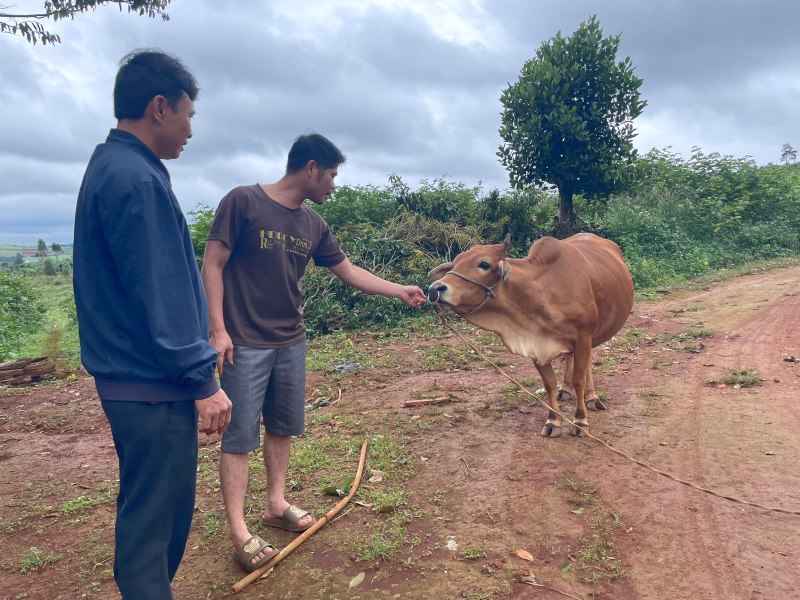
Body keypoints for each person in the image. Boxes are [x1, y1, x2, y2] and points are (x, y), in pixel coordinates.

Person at [201, 133, 426, 572]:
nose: (334, 185)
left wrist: (398, 290)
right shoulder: (243, 201)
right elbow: (213, 264)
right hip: (244, 342)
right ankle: (239, 530)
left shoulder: (312, 224)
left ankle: (275, 503)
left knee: (282, 426)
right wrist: (218, 330)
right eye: (332, 175)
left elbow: (349, 272)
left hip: (291, 340)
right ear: (310, 168)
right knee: (240, 435)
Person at [73, 49, 232, 599]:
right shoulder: (135, 180)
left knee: (148, 515)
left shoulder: (116, 168)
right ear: (160, 107)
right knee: (155, 527)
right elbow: (160, 292)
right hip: (151, 386)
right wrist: (202, 380)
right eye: (188, 115)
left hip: (135, 382)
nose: (190, 130)